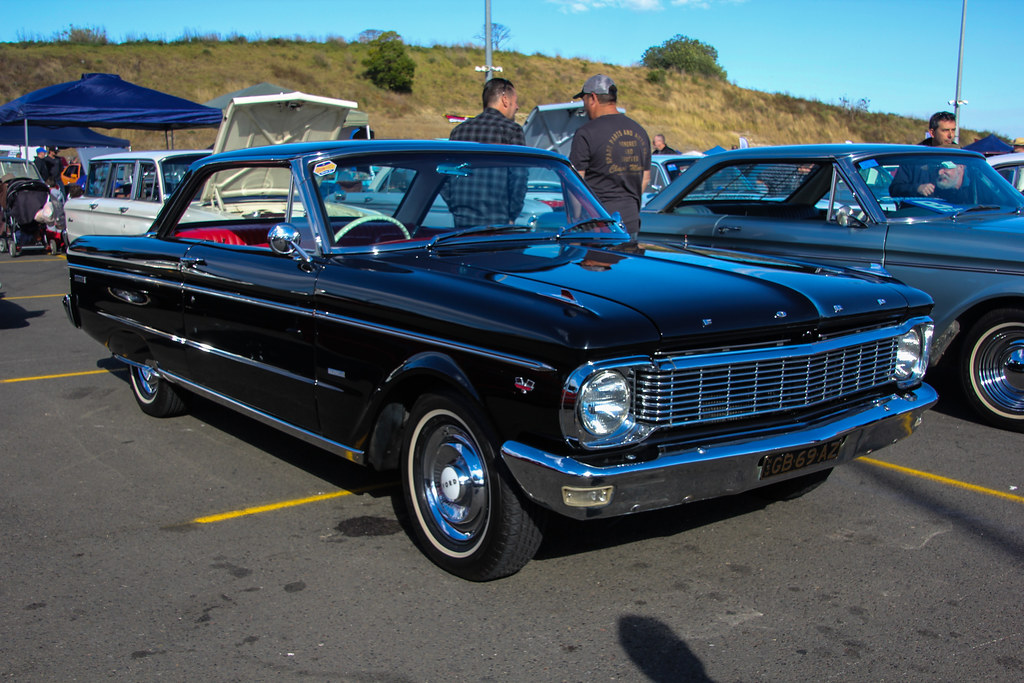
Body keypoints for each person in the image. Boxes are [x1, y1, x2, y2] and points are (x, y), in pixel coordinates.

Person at [569, 74, 651, 237]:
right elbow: (646, 178)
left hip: (596, 227)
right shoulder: (639, 131)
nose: (584, 106)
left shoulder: (586, 133)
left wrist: (575, 221)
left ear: (593, 98)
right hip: (630, 224)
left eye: (584, 100)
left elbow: (576, 184)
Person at [442, 78, 527, 228]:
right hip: (498, 221)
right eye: (515, 102)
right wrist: (512, 215)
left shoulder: (459, 131)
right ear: (505, 100)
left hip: (462, 221)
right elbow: (519, 177)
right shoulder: (512, 130)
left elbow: (444, 174)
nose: (517, 107)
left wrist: (455, 206)